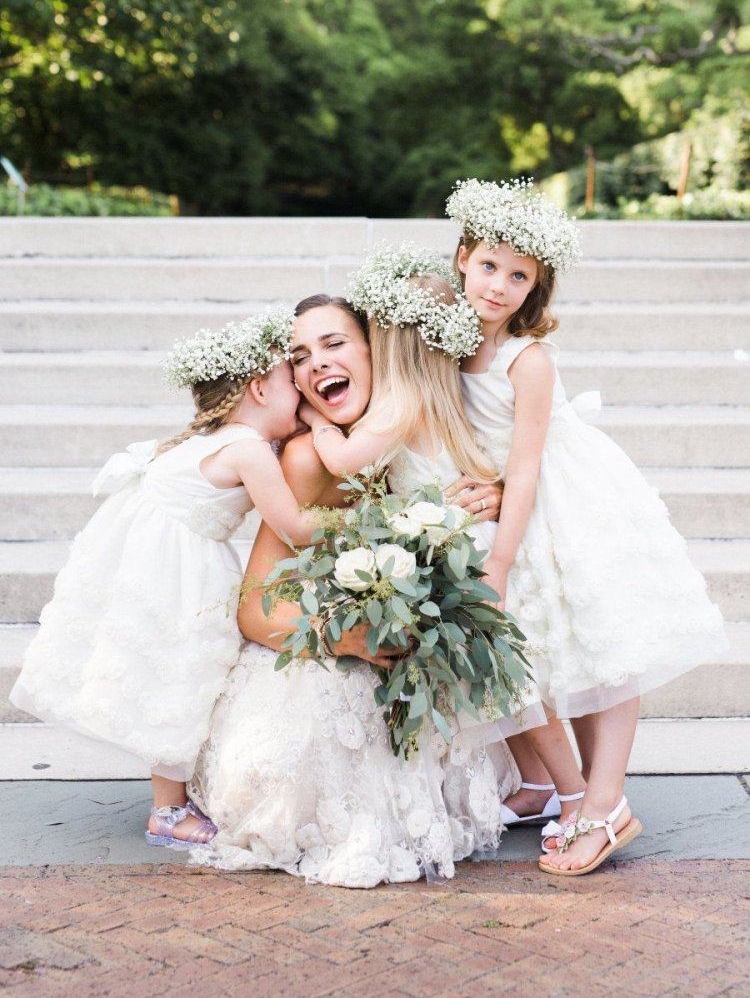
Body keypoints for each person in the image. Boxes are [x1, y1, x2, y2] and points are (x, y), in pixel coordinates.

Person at [188, 280, 513, 887]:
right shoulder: (309, 460)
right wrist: (351, 641)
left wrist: (485, 499)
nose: (316, 366)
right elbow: (256, 611)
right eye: (301, 358)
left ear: (377, 351)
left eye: (334, 344)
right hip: (318, 652)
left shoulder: (409, 436)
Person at [447, 177, 730, 875]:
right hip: (516, 492)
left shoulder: (527, 358)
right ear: (462, 258)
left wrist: (500, 562)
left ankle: (604, 804)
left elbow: (531, 460)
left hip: (567, 494)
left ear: (535, 288)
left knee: (607, 642)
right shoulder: (450, 342)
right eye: (489, 266)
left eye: (519, 276)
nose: (499, 285)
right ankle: (571, 797)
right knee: (560, 652)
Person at [11, 310, 331, 850]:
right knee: (184, 678)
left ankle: (173, 801)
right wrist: (359, 517)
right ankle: (167, 812)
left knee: (178, 680)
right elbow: (296, 526)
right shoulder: (248, 448)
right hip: (182, 571)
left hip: (160, 558)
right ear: (258, 388)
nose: (302, 400)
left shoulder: (227, 438)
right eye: (293, 392)